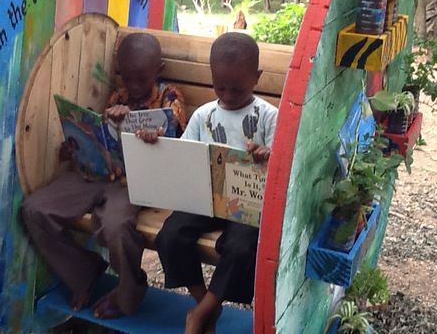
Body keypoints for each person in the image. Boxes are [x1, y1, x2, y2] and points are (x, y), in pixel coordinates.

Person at [21, 33, 186, 319]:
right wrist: (77, 144)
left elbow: (174, 141)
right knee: (35, 210)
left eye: (141, 78)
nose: (133, 86)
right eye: (126, 77)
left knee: (115, 225)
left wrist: (148, 135)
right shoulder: (120, 94)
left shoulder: (170, 97)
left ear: (158, 69)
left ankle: (129, 290)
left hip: (135, 183)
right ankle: (83, 272)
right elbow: (101, 139)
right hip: (96, 172)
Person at [151, 32, 278, 334]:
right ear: (211, 77)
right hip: (206, 197)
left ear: (256, 78)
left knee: (242, 248)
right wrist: (158, 141)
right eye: (220, 87)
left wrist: (266, 156)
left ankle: (201, 313)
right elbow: (184, 155)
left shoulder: (268, 117)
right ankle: (208, 305)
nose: (229, 95)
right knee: (170, 234)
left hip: (247, 205)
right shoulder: (204, 115)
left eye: (238, 88)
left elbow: (280, 167)